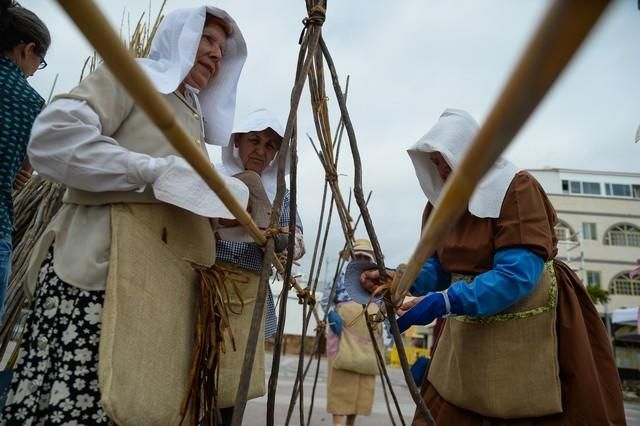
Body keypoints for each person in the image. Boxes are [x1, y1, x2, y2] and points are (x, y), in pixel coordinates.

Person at [1, 6, 248, 425]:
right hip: (104, 275)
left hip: (157, 291)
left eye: (222, 50)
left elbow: (176, 195)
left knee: (134, 404)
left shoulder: (192, 120)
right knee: (85, 403)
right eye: (207, 40)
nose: (215, 55)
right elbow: (54, 138)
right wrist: (150, 169)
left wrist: (218, 216)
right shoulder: (134, 79)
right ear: (180, 37)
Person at [360, 109, 625, 425]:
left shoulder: (516, 188)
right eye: (435, 162)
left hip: (529, 310)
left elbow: (518, 274)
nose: (441, 168)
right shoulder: (439, 205)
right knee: (451, 401)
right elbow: (438, 267)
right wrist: (398, 280)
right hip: (469, 314)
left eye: (445, 158)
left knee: (527, 402)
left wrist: (446, 301)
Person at [214, 108, 305, 424]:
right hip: (208, 287)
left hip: (249, 295)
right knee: (198, 368)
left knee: (232, 380)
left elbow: (297, 242)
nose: (261, 150)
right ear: (237, 141)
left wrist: (278, 237)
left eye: (270, 145)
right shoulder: (214, 177)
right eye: (254, 140)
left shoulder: (282, 195)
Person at [0, 0, 50, 323]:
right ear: (26, 50)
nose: (35, 69)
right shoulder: (32, 102)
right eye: (39, 61)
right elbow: (24, 172)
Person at [321, 238, 380, 426]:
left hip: (368, 334)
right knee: (340, 380)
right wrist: (331, 313)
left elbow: (384, 307)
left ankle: (351, 423)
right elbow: (326, 300)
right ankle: (337, 423)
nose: (361, 258)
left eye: (365, 256)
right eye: (358, 255)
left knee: (363, 381)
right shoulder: (339, 277)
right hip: (342, 333)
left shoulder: (378, 281)